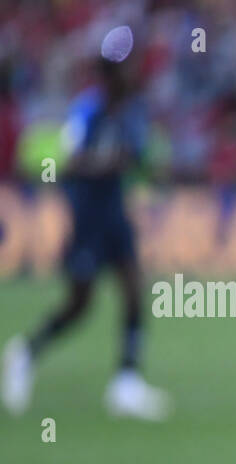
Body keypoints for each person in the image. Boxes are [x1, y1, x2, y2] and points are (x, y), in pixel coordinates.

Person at [2, 54, 170, 420]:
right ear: (109, 76)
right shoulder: (87, 110)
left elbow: (140, 157)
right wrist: (106, 163)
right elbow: (69, 160)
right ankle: (25, 352)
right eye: (123, 71)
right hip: (88, 219)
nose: (130, 77)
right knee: (80, 304)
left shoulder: (131, 112)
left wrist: (147, 165)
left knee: (134, 288)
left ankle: (126, 382)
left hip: (115, 216)